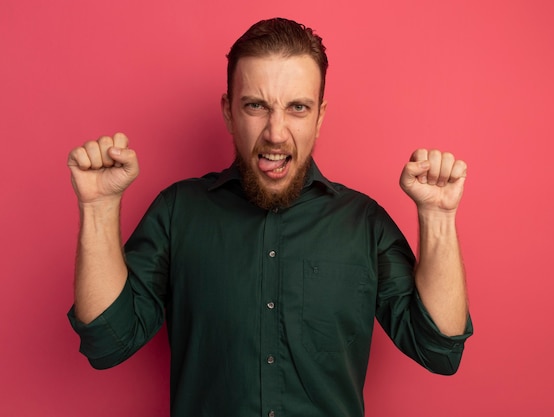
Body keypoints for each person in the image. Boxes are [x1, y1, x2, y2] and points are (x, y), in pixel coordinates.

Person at [67, 17, 472, 417]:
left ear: (319, 117)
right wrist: (98, 208)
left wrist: (438, 216)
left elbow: (439, 349)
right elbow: (107, 343)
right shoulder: (178, 211)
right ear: (229, 112)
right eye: (256, 105)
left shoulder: (363, 222)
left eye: (297, 107)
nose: (276, 132)